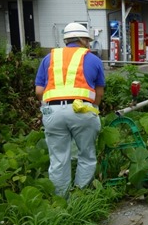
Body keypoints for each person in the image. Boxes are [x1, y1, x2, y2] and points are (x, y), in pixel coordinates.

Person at [35, 22, 105, 197]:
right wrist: (93, 108)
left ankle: (61, 201)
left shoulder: (48, 58)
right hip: (82, 110)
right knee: (86, 155)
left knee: (58, 160)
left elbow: (39, 91)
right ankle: (80, 196)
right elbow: (99, 92)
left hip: (53, 111)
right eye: (87, 40)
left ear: (66, 40)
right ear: (83, 40)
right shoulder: (93, 58)